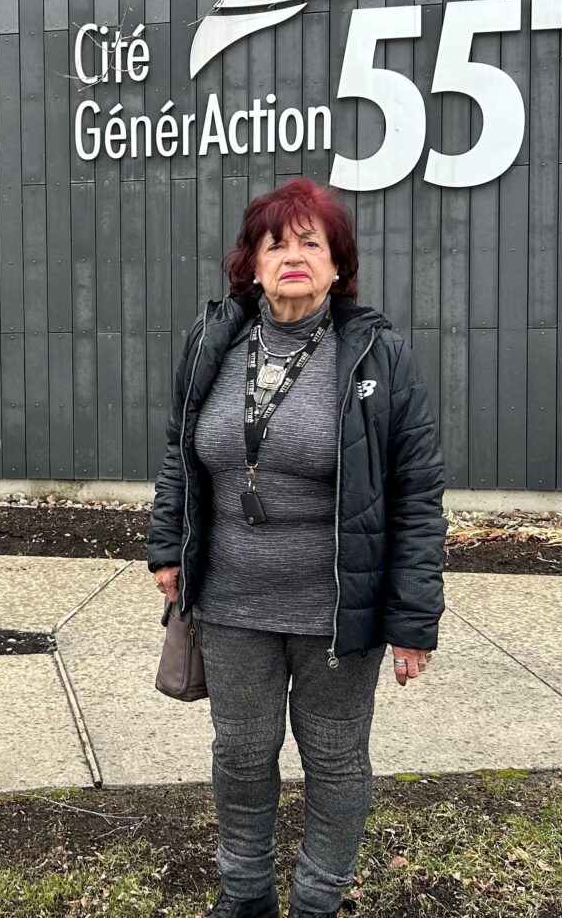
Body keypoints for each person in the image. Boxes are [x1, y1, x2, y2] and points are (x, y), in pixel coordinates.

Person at [147, 177, 447, 918]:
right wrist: (166, 544)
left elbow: (416, 495)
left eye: (311, 243)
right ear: (248, 263)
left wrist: (413, 620)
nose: (292, 256)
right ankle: (245, 896)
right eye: (274, 242)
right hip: (232, 605)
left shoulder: (379, 356)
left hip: (337, 613)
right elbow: (179, 451)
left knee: (335, 761)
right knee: (242, 757)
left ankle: (317, 902)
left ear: (338, 267)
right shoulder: (212, 341)